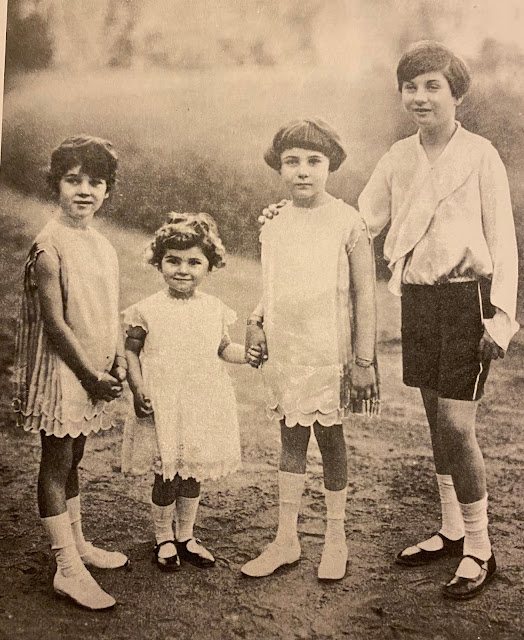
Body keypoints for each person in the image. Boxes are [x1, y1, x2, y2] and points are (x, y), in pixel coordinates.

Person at [357, 41, 519, 599]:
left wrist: (501, 319)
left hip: (468, 300)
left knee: (456, 425)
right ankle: (452, 530)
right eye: (411, 87)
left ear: (457, 95)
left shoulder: (480, 154)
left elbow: (503, 239)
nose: (420, 97)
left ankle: (481, 548)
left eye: (433, 86)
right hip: (419, 298)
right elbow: (362, 223)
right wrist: (299, 217)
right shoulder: (398, 156)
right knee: (434, 419)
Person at [241, 118, 379, 582]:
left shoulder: (348, 221)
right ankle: (286, 539)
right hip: (287, 350)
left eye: (314, 161)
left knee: (331, 440)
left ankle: (336, 539)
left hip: (329, 353)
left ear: (330, 166)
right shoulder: (274, 222)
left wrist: (363, 360)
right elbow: (272, 287)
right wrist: (256, 321)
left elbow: (365, 295)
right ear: (280, 168)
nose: (303, 171)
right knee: (290, 439)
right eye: (292, 161)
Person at [12, 135, 129, 611]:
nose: (84, 190)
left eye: (95, 182)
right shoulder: (49, 245)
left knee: (74, 454)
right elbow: (55, 323)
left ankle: (77, 544)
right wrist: (87, 374)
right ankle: (66, 566)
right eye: (72, 180)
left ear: (107, 190)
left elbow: (107, 308)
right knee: (57, 461)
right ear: (55, 185)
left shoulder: (101, 244)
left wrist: (116, 358)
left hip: (92, 368)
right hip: (64, 371)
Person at [123, 212, 249, 572]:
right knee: (166, 472)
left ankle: (186, 535)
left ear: (209, 266)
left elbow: (223, 348)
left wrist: (249, 355)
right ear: (159, 262)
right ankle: (163, 537)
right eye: (173, 260)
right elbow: (131, 350)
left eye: (194, 262)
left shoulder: (214, 308)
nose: (183, 270)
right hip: (163, 400)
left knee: (192, 470)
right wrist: (137, 387)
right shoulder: (147, 309)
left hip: (200, 401)